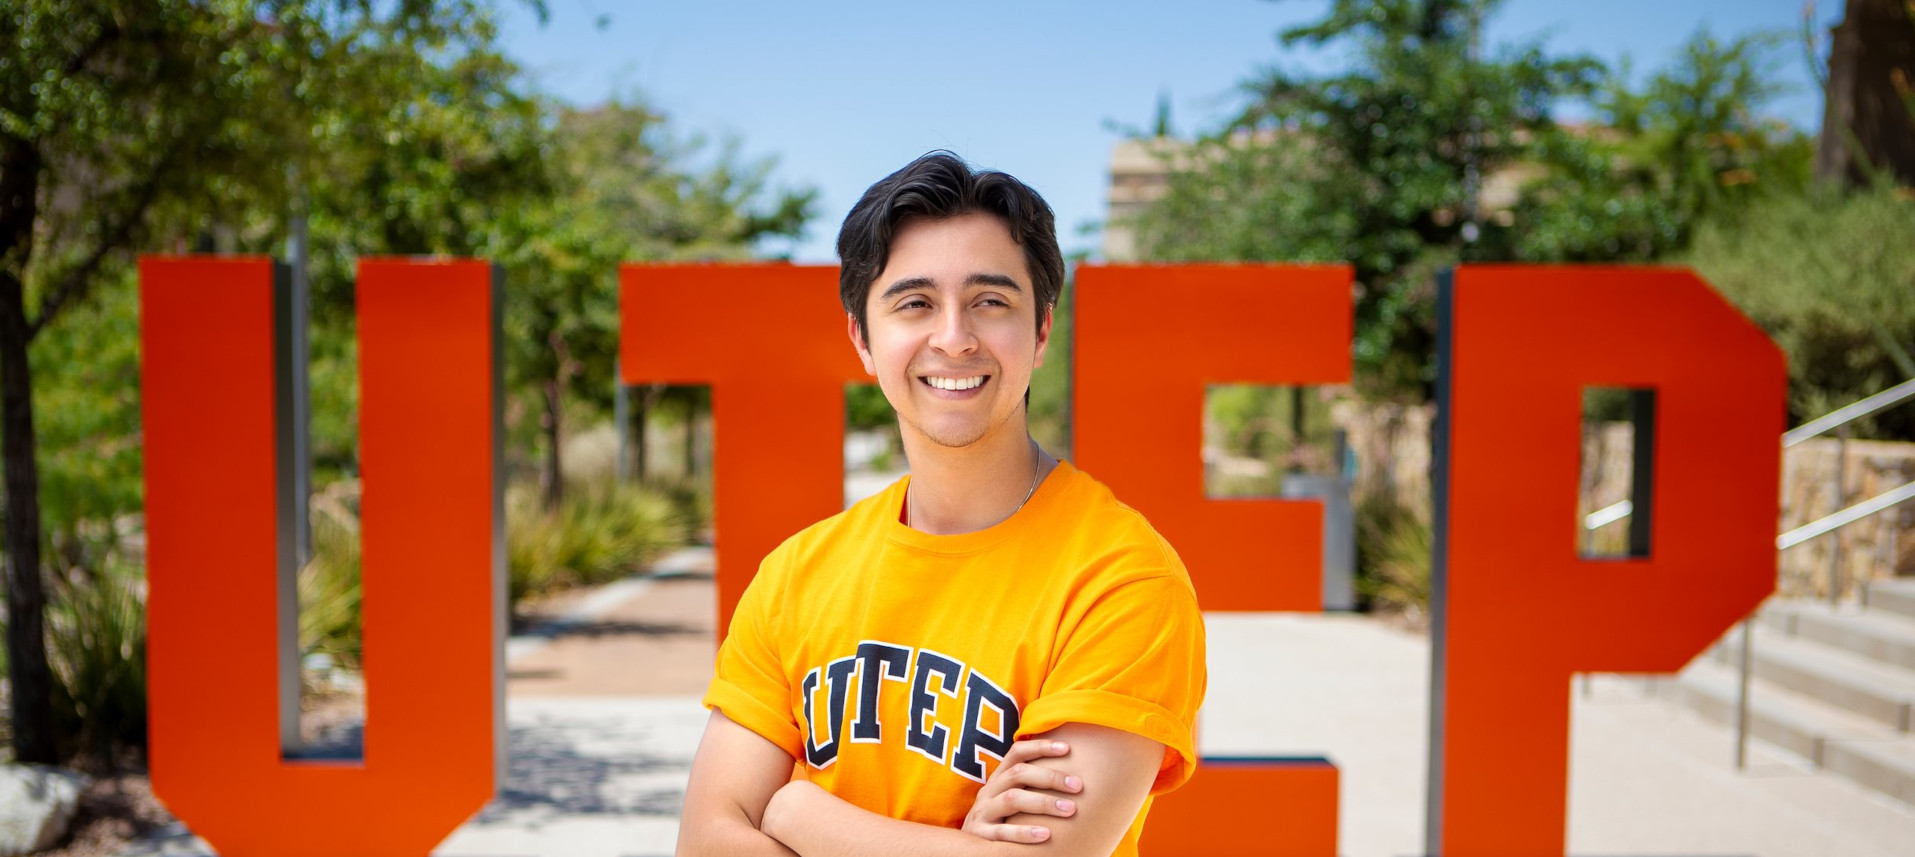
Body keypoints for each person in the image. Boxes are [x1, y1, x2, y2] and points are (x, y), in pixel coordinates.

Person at [676, 151, 1206, 857]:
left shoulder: (1122, 581)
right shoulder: (795, 576)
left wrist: (797, 811)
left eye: (990, 301)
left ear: (1042, 330)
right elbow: (706, 841)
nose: (953, 337)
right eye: (914, 302)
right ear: (862, 337)